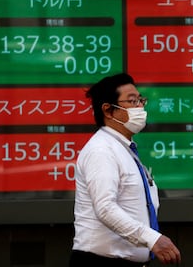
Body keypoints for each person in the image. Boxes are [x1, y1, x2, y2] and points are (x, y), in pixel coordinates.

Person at [69, 73, 181, 266]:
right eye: (132, 101)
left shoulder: (124, 148)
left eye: (140, 100)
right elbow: (105, 208)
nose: (140, 107)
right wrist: (152, 238)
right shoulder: (102, 150)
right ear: (108, 110)